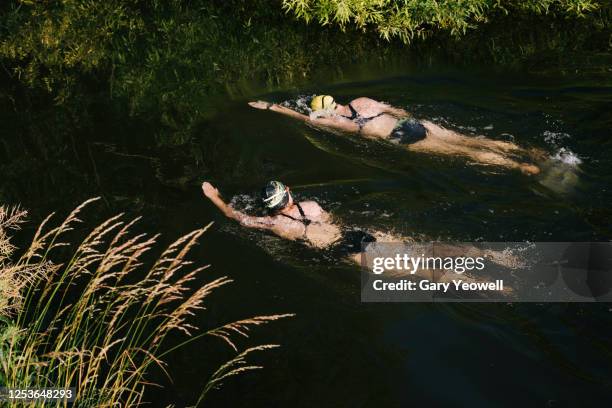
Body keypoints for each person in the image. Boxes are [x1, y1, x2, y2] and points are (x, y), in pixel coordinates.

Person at [248, 95, 542, 175]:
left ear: (324, 113)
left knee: (467, 154)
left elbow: (300, 117)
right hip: (416, 124)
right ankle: (528, 150)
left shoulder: (340, 124)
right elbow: (396, 110)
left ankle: (519, 166)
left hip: (402, 139)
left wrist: (272, 106)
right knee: (472, 140)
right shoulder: (362, 101)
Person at [202, 180, 376, 262]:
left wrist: (214, 197)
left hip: (338, 249)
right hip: (351, 234)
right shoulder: (311, 205)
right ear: (288, 191)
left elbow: (235, 216)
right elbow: (332, 221)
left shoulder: (274, 223)